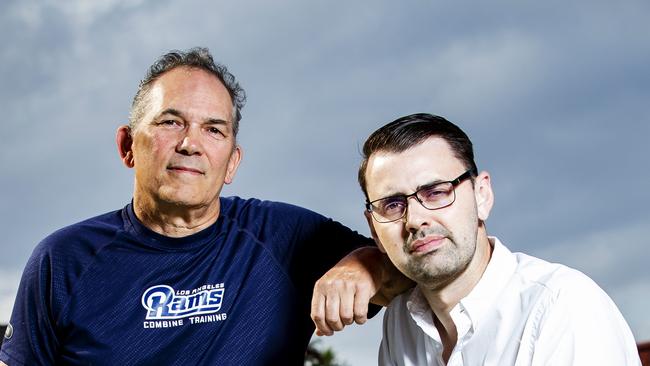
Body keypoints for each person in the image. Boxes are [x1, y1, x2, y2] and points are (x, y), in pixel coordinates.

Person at [0, 48, 403, 365]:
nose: (190, 144)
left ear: (232, 162)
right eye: (170, 122)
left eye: (213, 129)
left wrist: (366, 263)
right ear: (127, 147)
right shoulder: (63, 260)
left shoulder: (284, 236)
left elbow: (419, 271)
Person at [358, 113, 641, 365]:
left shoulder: (563, 307)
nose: (415, 219)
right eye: (393, 204)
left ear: (482, 195)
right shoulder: (401, 323)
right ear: (374, 229)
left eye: (436, 192)